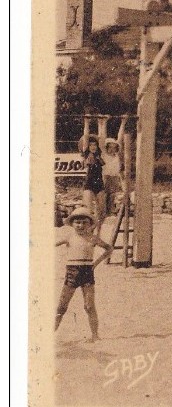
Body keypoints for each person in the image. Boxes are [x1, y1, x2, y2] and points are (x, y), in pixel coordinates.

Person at [55, 206, 112, 342]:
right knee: (62, 306)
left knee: (89, 306)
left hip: (87, 272)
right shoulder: (69, 236)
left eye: (84, 222)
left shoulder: (93, 238)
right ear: (73, 223)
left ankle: (95, 335)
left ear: (89, 224)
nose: (80, 225)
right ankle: (46, 337)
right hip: (72, 272)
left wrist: (96, 263)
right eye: (77, 222)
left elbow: (109, 249)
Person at [79, 135, 105, 225]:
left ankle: (98, 230)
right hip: (89, 184)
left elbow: (102, 139)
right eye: (90, 145)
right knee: (88, 210)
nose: (93, 147)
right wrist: (86, 122)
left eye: (95, 145)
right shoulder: (87, 155)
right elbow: (85, 139)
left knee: (101, 211)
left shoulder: (99, 156)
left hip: (99, 184)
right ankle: (88, 229)